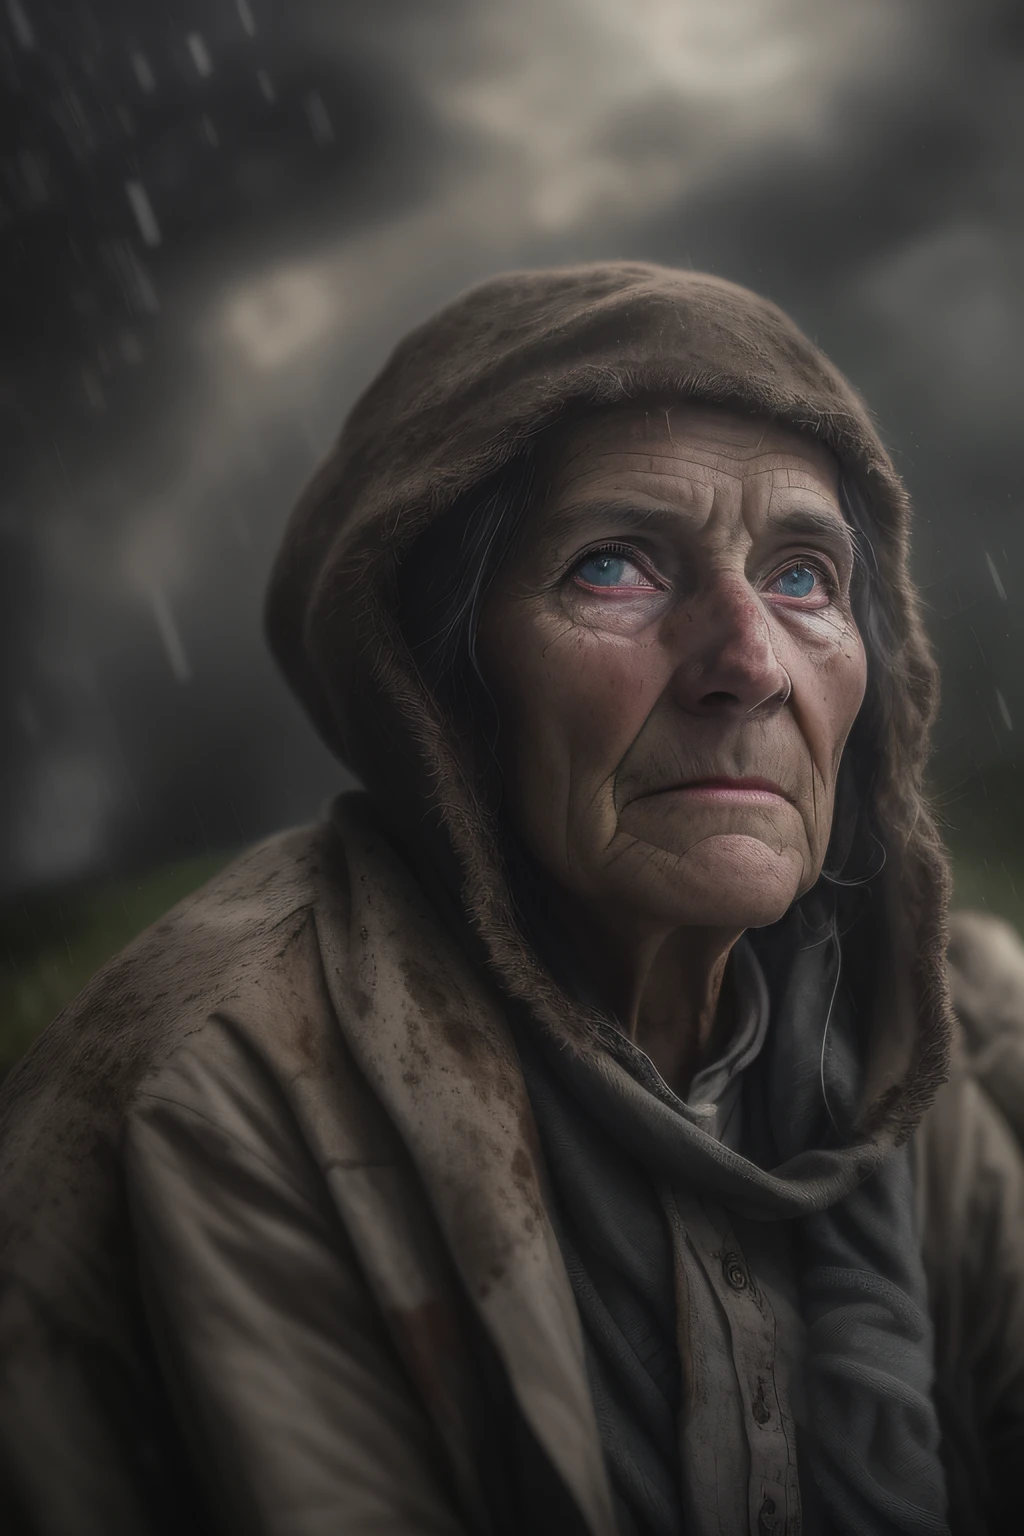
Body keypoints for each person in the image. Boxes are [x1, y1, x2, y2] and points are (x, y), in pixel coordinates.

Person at [2, 262, 1023, 1536]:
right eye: (614, 566)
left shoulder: (939, 1047)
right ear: (436, 679)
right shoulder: (222, 1098)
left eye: (805, 576)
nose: (749, 663)